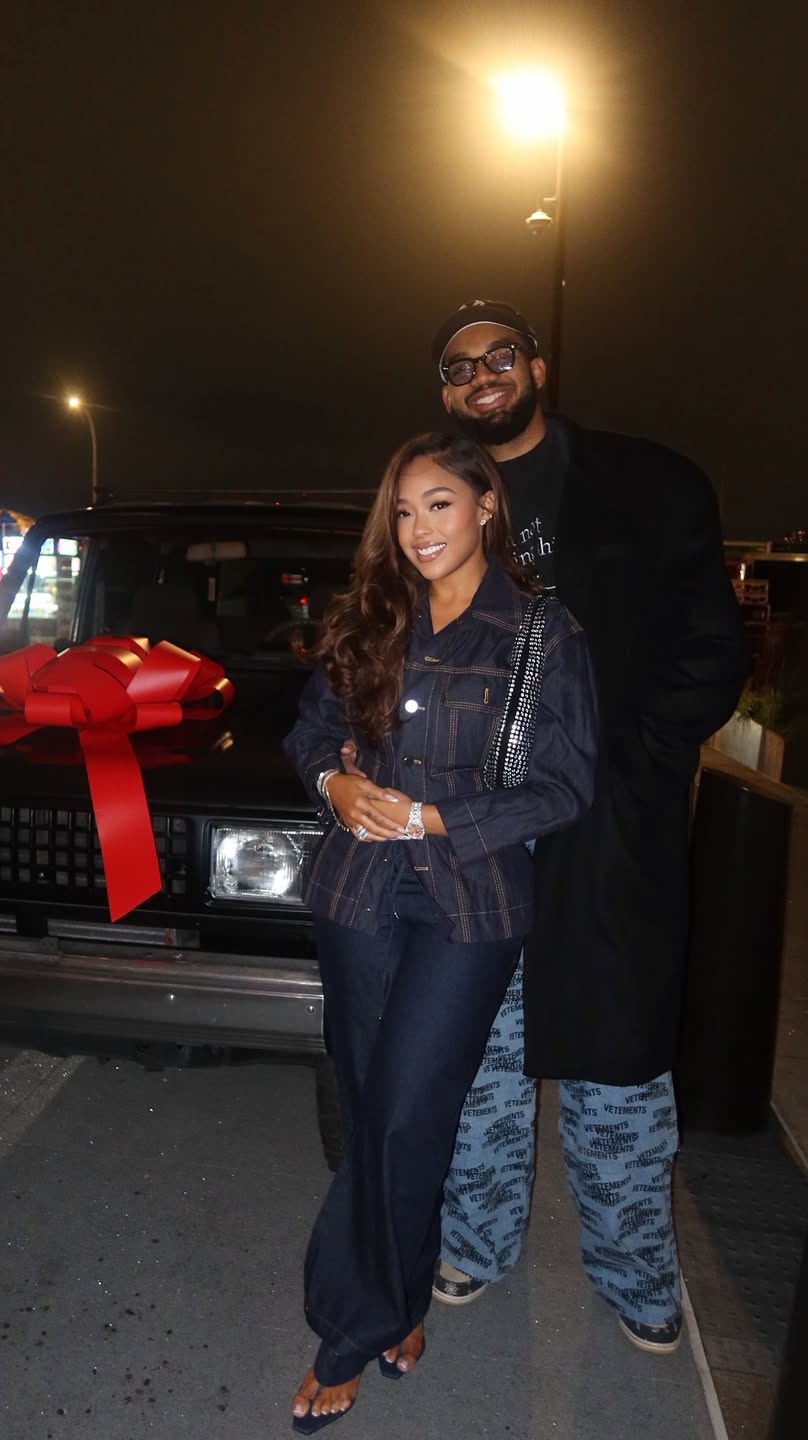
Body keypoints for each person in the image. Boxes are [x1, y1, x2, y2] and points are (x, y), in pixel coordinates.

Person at [425, 299, 749, 1354]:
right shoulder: (436, 495)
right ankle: (475, 1240)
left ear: (537, 367)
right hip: (478, 829)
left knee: (617, 1066)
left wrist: (636, 760)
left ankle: (635, 1272)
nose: (482, 375)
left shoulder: (650, 484)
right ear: (444, 391)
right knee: (477, 1053)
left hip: (606, 825)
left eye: (500, 356)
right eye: (459, 365)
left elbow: (710, 648)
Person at [283, 431, 598, 1432]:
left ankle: (347, 1328)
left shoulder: (540, 635)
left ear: (486, 505)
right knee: (371, 1103)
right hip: (356, 894)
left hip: (469, 901)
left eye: (440, 504)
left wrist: (432, 818)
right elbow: (307, 734)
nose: (419, 528)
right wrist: (333, 783)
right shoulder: (371, 617)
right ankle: (401, 1301)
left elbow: (564, 787)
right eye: (404, 509)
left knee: (408, 1108)